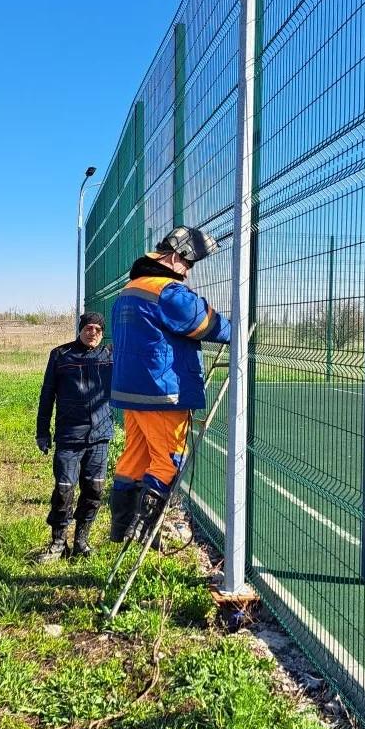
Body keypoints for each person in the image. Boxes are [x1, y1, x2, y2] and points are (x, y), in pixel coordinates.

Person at [108, 226, 231, 547]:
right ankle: (142, 530)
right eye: (188, 264)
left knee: (135, 457)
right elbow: (205, 323)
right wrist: (238, 328)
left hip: (130, 390)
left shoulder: (129, 291)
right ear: (176, 256)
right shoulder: (167, 292)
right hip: (162, 391)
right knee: (169, 460)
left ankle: (121, 527)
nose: (187, 272)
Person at [35, 311, 112, 560]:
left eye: (98, 330)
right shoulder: (61, 355)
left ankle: (81, 541)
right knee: (64, 489)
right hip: (69, 436)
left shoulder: (110, 356)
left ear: (103, 333)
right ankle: (58, 543)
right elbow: (47, 395)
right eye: (89, 328)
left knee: (94, 490)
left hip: (100, 436)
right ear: (80, 329)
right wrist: (42, 431)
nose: (93, 333)